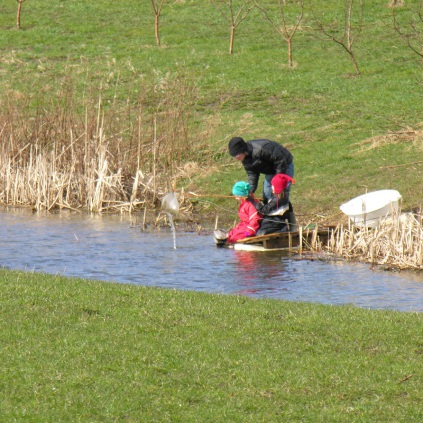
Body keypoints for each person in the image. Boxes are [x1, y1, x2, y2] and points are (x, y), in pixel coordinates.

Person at [228, 136, 296, 228]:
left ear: (243, 150)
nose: (236, 158)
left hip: (284, 165)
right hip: (270, 170)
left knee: (280, 195)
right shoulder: (245, 159)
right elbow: (252, 174)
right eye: (234, 156)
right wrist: (249, 191)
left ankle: (292, 225)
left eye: (236, 155)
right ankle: (273, 223)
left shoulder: (262, 149)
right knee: (267, 194)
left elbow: (280, 161)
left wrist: (278, 182)